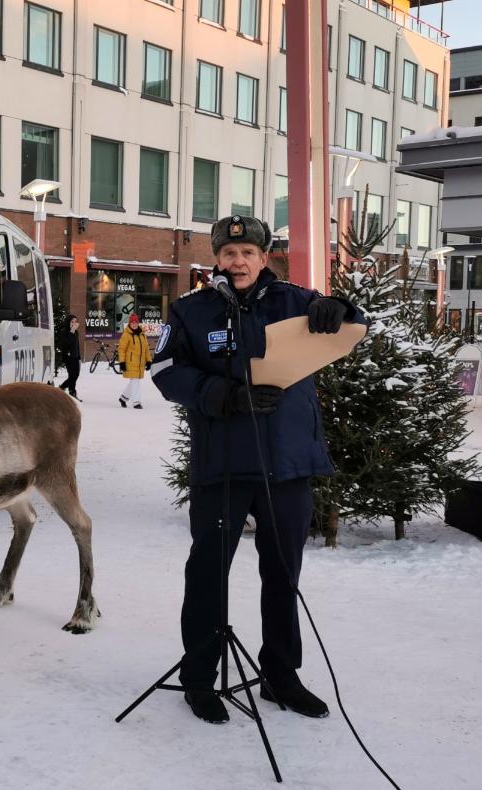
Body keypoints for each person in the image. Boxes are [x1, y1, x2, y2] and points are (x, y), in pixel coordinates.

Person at [150, 214, 366, 724]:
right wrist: (217, 394)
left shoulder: (296, 300)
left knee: (282, 576)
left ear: (264, 258)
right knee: (207, 576)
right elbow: (162, 369)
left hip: (287, 466)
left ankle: (281, 677)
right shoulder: (189, 311)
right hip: (222, 467)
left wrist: (343, 308)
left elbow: (354, 326)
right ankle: (200, 679)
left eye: (248, 253)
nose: (239, 261)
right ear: (216, 260)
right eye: (229, 253)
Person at [118, 313, 153, 408]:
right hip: (130, 362)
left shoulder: (142, 334)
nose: (134, 324)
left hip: (140, 363)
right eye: (132, 322)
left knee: (134, 381)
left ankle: (123, 398)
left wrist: (148, 361)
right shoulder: (126, 335)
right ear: (130, 323)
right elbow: (121, 349)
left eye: (136, 322)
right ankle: (136, 402)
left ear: (138, 323)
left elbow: (146, 348)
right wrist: (122, 362)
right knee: (135, 381)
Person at [57, 314, 82, 400]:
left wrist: (79, 356)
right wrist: (71, 331)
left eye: (75, 322)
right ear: (68, 322)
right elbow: (66, 343)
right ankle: (71, 391)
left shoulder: (76, 332)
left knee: (76, 374)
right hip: (68, 357)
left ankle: (63, 388)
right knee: (72, 375)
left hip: (75, 356)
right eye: (72, 322)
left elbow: (76, 345)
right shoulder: (64, 331)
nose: (74, 323)